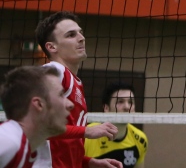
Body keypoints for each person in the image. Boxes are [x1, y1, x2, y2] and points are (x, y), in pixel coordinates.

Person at [35, 11, 122, 168]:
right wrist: (87, 131)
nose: (81, 38)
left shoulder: (74, 81)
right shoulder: (55, 71)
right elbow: (39, 127)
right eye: (71, 35)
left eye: (80, 32)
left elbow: (64, 145)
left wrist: (88, 162)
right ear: (52, 47)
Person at [0, 66, 73, 168]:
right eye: (60, 95)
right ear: (39, 104)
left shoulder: (26, 150)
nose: (70, 104)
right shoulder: (9, 141)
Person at [84, 82, 148, 167]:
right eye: (120, 101)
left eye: (130, 102)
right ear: (106, 108)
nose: (127, 107)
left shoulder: (141, 139)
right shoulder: (86, 136)